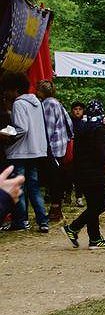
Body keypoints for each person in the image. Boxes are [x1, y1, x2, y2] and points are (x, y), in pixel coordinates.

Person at [61, 100, 105, 250]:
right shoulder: (98, 129)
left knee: (93, 205)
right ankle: (73, 227)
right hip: (94, 173)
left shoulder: (82, 127)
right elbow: (100, 149)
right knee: (102, 204)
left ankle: (94, 238)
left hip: (81, 173)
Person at [0, 72, 50, 233]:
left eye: (7, 90)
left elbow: (21, 128)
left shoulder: (19, 104)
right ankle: (43, 221)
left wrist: (6, 135)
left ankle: (21, 221)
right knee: (34, 188)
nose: (5, 94)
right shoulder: (36, 103)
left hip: (20, 152)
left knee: (19, 188)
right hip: (35, 151)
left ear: (15, 90)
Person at [34, 80, 73, 224]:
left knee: (54, 180)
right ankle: (56, 208)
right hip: (61, 145)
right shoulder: (57, 103)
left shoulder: (49, 104)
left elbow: (48, 128)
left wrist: (43, 146)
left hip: (53, 147)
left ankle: (56, 209)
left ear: (40, 91)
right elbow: (69, 125)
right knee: (56, 178)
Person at [68, 101, 86, 208]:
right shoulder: (68, 122)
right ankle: (67, 194)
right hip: (69, 151)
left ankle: (79, 197)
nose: (77, 111)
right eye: (75, 109)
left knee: (80, 175)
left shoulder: (85, 123)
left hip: (81, 153)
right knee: (67, 175)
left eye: (80, 109)